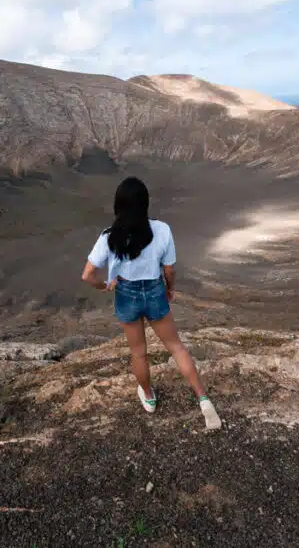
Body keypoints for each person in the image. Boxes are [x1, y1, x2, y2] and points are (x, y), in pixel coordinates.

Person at [80, 176, 222, 430]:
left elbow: (87, 274)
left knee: (139, 352)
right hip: (155, 290)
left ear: (118, 205)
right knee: (176, 347)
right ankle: (203, 399)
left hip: (127, 294)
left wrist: (104, 286)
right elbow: (169, 269)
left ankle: (148, 396)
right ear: (145, 203)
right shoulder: (162, 230)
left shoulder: (109, 237)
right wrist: (170, 289)